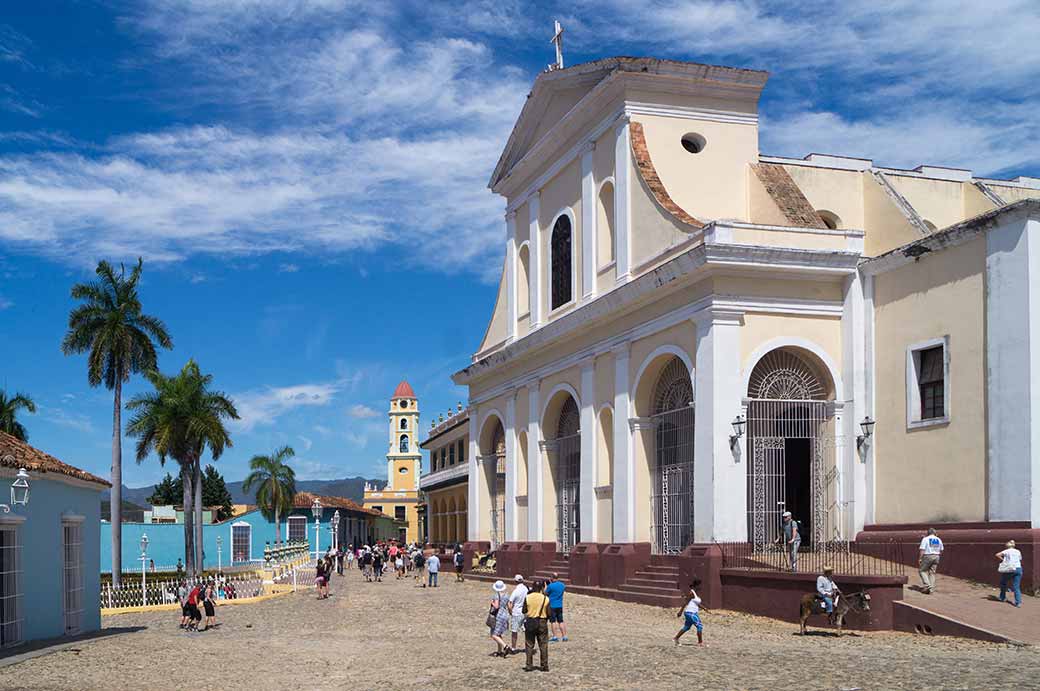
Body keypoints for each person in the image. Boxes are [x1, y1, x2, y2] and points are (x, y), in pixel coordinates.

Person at [522, 581, 551, 672]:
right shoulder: (546, 598)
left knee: (529, 644)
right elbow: (549, 613)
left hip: (531, 621)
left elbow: (524, 610)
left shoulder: (528, 597)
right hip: (542, 622)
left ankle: (529, 665)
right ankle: (544, 665)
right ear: (541, 588)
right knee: (543, 644)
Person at [673, 579, 706, 647]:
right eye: (700, 585)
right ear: (696, 585)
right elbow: (686, 602)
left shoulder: (696, 593)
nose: (701, 587)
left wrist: (704, 608)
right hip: (690, 613)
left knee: (687, 627)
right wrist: (680, 612)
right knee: (699, 626)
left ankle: (676, 638)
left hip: (692, 613)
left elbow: (696, 603)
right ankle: (700, 643)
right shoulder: (692, 593)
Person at [996, 540, 1023, 607]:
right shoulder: (1018, 551)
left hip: (1010, 568)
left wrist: (1003, 560)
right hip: (1018, 568)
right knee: (1016, 586)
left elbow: (997, 555)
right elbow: (1020, 559)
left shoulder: (1007, 551)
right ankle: (1018, 602)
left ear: (1007, 546)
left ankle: (1002, 597)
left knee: (1003, 583)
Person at [918, 527, 944, 594]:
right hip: (936, 556)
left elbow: (922, 550)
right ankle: (931, 589)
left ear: (928, 533)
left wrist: (920, 558)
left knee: (922, 571)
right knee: (932, 573)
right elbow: (941, 550)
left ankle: (927, 586)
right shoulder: (938, 539)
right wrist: (937, 555)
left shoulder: (925, 539)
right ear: (934, 533)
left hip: (928, 556)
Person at [507, 575, 529, 653]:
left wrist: (510, 612)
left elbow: (510, 603)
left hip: (516, 612)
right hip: (525, 612)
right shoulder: (526, 588)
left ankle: (513, 648)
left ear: (515, 581)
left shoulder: (516, 591)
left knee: (514, 631)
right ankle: (528, 646)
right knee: (526, 631)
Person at [489, 580, 510, 656]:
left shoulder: (496, 595)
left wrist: (492, 603)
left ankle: (505, 646)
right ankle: (499, 651)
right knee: (499, 634)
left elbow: (496, 606)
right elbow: (509, 606)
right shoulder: (507, 595)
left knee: (494, 635)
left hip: (498, 615)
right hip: (505, 614)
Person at [544, 573, 567, 642]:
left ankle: (555, 636)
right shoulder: (562, 585)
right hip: (559, 605)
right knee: (561, 621)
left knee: (553, 621)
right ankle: (564, 636)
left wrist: (546, 586)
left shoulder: (550, 586)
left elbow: (545, 593)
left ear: (552, 578)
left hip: (552, 605)